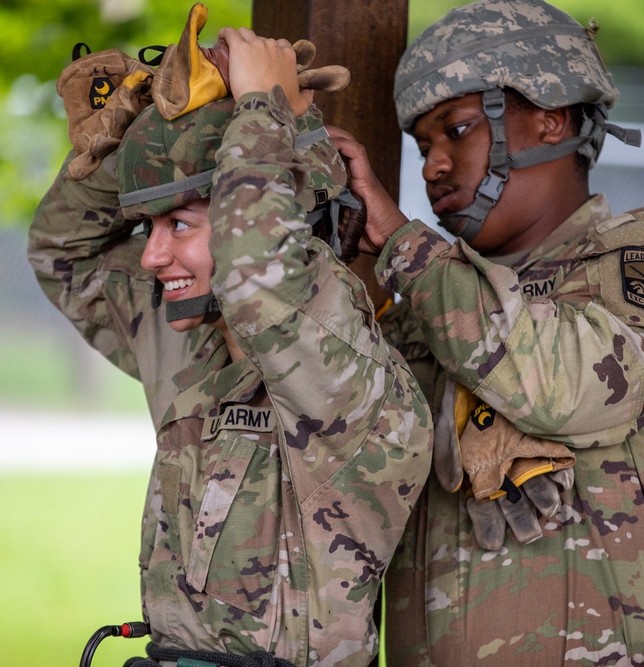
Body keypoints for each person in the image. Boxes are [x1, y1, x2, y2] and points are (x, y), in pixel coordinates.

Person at [329, 0, 644, 665]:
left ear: (550, 116)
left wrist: (404, 247)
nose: (433, 166)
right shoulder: (425, 304)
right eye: (423, 145)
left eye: (456, 130)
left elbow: (565, 383)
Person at [28, 16, 431, 667]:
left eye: (180, 223)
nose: (154, 255)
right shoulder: (190, 339)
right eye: (148, 227)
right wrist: (142, 137)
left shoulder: (347, 374)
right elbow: (62, 253)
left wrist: (262, 107)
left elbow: (260, 273)